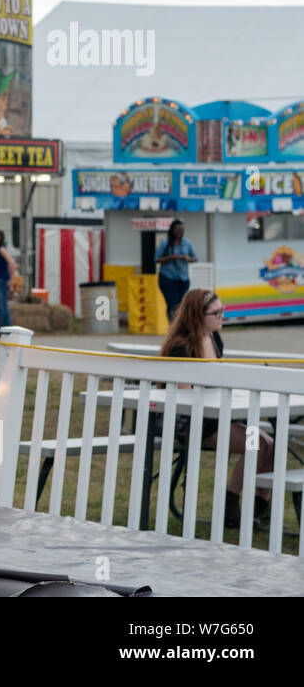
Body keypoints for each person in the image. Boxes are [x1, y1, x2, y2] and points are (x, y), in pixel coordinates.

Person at [160, 288, 275, 527]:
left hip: (217, 416)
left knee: (270, 444)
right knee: (259, 444)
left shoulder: (214, 339)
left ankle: (255, 510)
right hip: (192, 422)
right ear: (198, 316)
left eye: (223, 310)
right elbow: (184, 397)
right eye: (216, 312)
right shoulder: (181, 347)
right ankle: (230, 506)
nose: (222, 316)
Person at [155, 218, 196, 320]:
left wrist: (188, 258)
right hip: (168, 277)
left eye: (181, 230)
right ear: (172, 230)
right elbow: (156, 259)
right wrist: (171, 257)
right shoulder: (164, 243)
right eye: (177, 230)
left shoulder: (187, 243)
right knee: (173, 303)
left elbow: (194, 258)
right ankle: (173, 326)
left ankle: (179, 326)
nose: (179, 233)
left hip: (183, 278)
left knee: (181, 304)